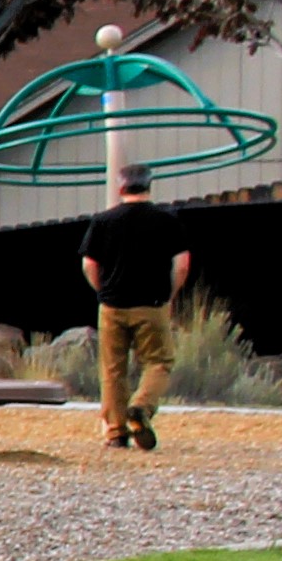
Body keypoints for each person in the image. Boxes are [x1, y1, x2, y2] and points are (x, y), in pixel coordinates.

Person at [78, 161, 192, 452]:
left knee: (113, 369)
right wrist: (171, 294)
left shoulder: (103, 221)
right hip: (151, 304)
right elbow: (181, 265)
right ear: (149, 185)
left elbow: (89, 264)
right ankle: (140, 407)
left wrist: (102, 291)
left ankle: (115, 433)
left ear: (121, 187)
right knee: (159, 361)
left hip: (113, 305)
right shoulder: (167, 220)